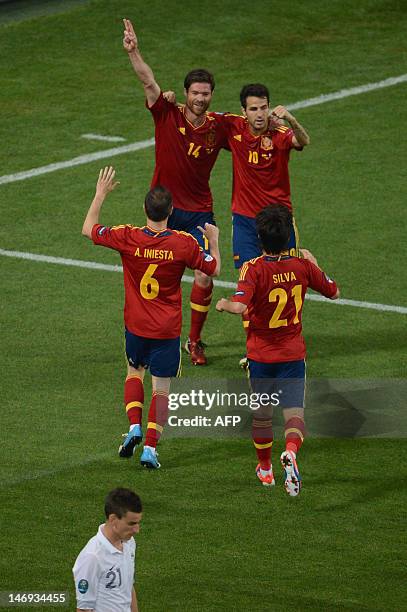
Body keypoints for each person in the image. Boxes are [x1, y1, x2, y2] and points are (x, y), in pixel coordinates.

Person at [82, 167, 220, 468]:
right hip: (166, 330)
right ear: (171, 211)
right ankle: (151, 449)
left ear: (145, 209)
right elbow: (213, 269)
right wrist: (213, 239)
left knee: (134, 374)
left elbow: (88, 228)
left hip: (136, 326)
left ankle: (134, 427)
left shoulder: (128, 237)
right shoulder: (183, 243)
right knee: (161, 389)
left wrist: (100, 194)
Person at [122, 18, 228, 366]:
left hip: (198, 211)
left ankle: (194, 341)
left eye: (205, 93)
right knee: (158, 273)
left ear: (212, 95)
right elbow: (148, 80)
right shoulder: (166, 113)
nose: (200, 98)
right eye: (195, 93)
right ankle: (150, 335)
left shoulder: (219, 126)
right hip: (164, 209)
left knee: (206, 273)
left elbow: (249, 127)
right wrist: (134, 52)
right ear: (186, 94)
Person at [216, 204, 339, 496]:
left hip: (261, 356)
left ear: (259, 238)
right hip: (293, 355)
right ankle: (292, 453)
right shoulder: (303, 266)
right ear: (288, 238)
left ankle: (266, 470)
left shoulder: (253, 268)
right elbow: (334, 292)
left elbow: (240, 306)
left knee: (262, 415)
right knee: (294, 415)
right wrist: (314, 262)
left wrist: (222, 304)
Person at [221, 83, 311, 269]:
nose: (260, 114)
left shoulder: (280, 133)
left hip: (279, 219)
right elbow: (201, 114)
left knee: (285, 274)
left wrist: (291, 119)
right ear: (244, 111)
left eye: (263, 108)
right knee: (248, 275)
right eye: (253, 109)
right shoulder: (234, 127)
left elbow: (303, 140)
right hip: (245, 219)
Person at [72, 487, 142, 612]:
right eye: (131, 524)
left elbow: (128, 587)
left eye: (138, 523)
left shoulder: (129, 543)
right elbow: (83, 609)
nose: (137, 530)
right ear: (113, 519)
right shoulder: (92, 556)